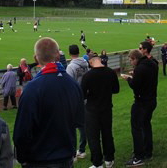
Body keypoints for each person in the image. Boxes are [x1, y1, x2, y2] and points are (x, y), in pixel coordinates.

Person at [13, 37, 84, 167]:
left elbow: (21, 133)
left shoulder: (32, 89)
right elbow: (79, 121)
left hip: (40, 160)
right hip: (66, 158)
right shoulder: (73, 84)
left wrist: (23, 158)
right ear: (58, 55)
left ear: (36, 58)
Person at [81, 54, 120, 168]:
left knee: (93, 137)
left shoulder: (88, 76)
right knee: (107, 134)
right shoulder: (111, 72)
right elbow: (116, 90)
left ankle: (97, 163)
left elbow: (82, 95)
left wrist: (90, 93)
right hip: (106, 108)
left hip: (92, 110)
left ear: (91, 62)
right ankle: (109, 159)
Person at [121, 48, 158, 167]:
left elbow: (135, 86)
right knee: (146, 125)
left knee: (136, 128)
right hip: (152, 99)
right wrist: (135, 75)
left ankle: (138, 156)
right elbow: (146, 79)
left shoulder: (140, 68)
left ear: (135, 59)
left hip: (142, 102)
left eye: (131, 61)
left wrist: (129, 79)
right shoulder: (152, 63)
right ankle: (148, 151)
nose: (131, 63)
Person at [66, 44, 89, 160]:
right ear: (79, 52)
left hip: (75, 100)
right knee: (82, 125)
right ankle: (82, 150)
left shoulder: (70, 67)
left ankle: (74, 153)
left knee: (72, 126)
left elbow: (68, 85)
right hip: (84, 97)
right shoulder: (85, 64)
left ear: (69, 54)